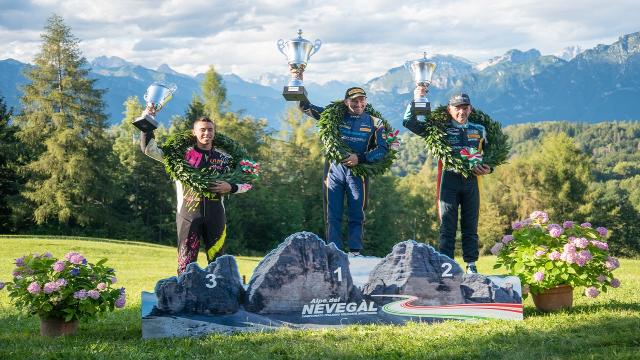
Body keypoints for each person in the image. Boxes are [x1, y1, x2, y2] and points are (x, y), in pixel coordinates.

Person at [140, 114, 250, 274]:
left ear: (215, 132)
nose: (207, 133)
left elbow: (248, 180)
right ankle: (184, 295)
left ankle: (218, 295)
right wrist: (147, 120)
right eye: (202, 130)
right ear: (194, 132)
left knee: (218, 262)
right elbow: (150, 150)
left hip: (216, 216)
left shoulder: (224, 159)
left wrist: (231, 187)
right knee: (186, 262)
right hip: (188, 216)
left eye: (210, 130)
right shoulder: (179, 157)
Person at [403, 88, 492, 274]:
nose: (462, 111)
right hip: (448, 182)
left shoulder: (480, 129)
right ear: (449, 110)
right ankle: (446, 266)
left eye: (465, 107)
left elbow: (492, 156)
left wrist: (489, 167)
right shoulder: (440, 129)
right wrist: (418, 98)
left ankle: (471, 265)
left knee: (470, 225)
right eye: (457, 107)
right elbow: (409, 123)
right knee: (447, 227)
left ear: (471, 109)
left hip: (471, 182)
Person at [297, 86, 389, 256]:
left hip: (358, 173)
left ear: (366, 101)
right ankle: (334, 250)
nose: (358, 103)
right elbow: (305, 107)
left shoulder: (375, 122)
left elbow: (383, 149)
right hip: (334, 171)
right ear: (346, 101)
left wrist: (359, 158)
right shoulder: (333, 117)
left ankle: (355, 251)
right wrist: (297, 81)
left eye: (362, 99)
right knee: (333, 213)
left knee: (357, 212)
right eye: (354, 100)